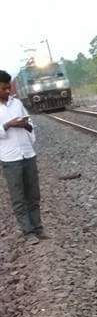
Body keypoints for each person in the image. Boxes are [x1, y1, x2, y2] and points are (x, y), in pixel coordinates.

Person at [0, 70, 44, 244]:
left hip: (27, 153)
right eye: (3, 88)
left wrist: (26, 125)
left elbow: (30, 123)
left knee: (33, 194)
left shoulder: (17, 103)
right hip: (10, 158)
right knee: (19, 197)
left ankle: (38, 228)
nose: (8, 91)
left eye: (8, 87)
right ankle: (28, 232)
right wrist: (9, 125)